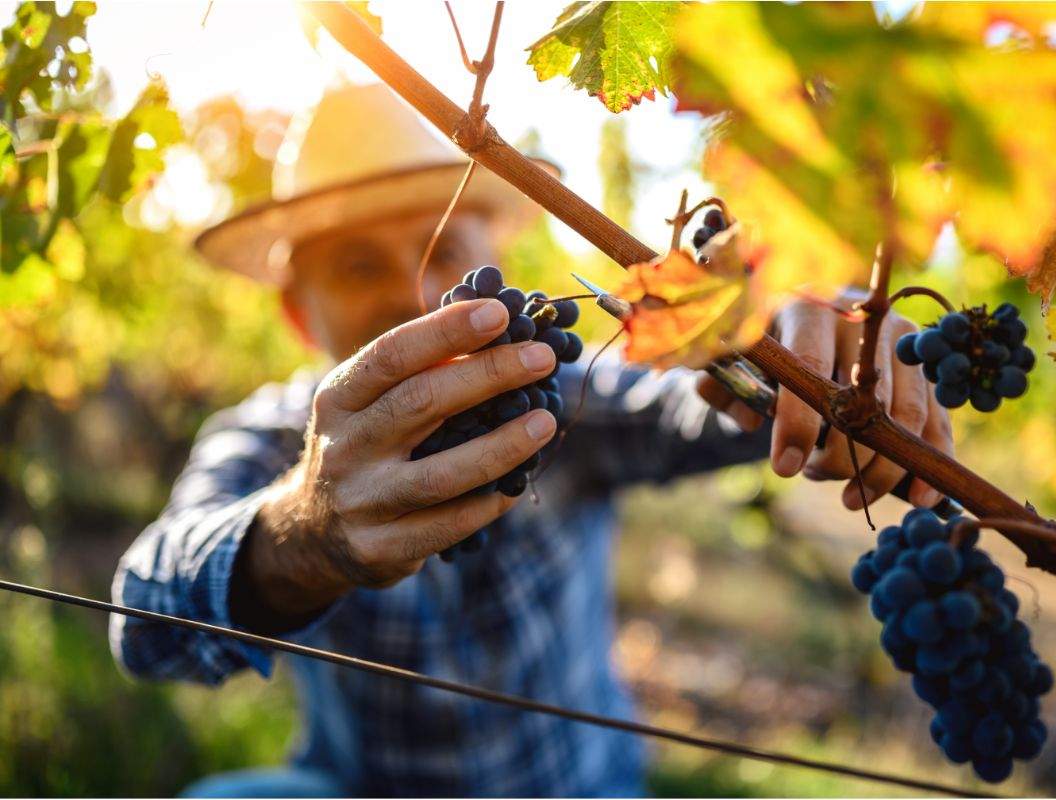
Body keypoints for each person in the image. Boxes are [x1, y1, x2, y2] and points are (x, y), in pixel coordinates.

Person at [109, 83, 953, 798]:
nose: (420, 294)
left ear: (494, 255)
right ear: (300, 315)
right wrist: (303, 534)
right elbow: (144, 623)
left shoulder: (567, 404)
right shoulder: (270, 440)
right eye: (359, 266)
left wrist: (803, 350)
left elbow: (687, 403)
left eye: (445, 250)